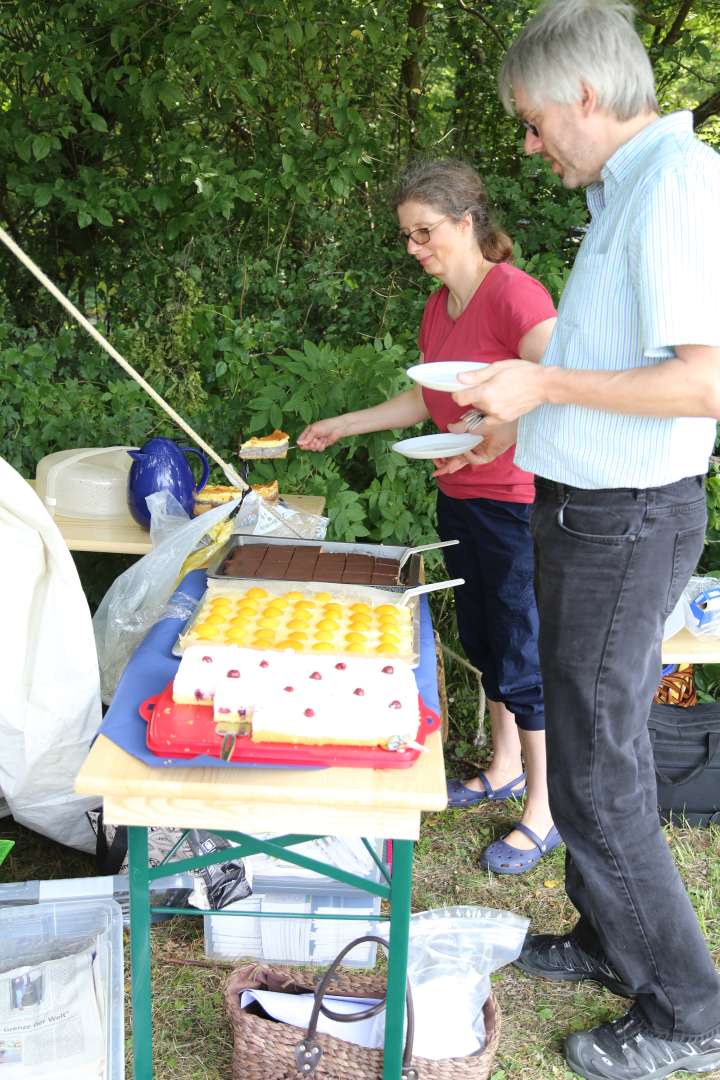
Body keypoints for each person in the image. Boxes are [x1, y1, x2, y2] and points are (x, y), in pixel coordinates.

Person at [451, 1, 720, 1077]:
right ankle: (612, 943)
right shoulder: (627, 190)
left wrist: (545, 379)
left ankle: (688, 1015)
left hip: (628, 520)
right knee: (587, 750)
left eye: (530, 120)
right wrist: (526, 414)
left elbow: (703, 380)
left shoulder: (680, 189)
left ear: (584, 97)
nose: (527, 143)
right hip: (584, 509)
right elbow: (622, 369)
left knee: (600, 776)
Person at [298, 158, 560, 873]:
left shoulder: (514, 296)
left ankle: (544, 809)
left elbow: (558, 382)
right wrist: (345, 424)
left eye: (424, 233)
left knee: (521, 650)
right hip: (460, 492)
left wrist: (500, 434)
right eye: (407, 237)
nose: (414, 249)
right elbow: (428, 400)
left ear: (467, 221)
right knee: (483, 636)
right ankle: (504, 764)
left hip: (515, 501)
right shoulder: (439, 304)